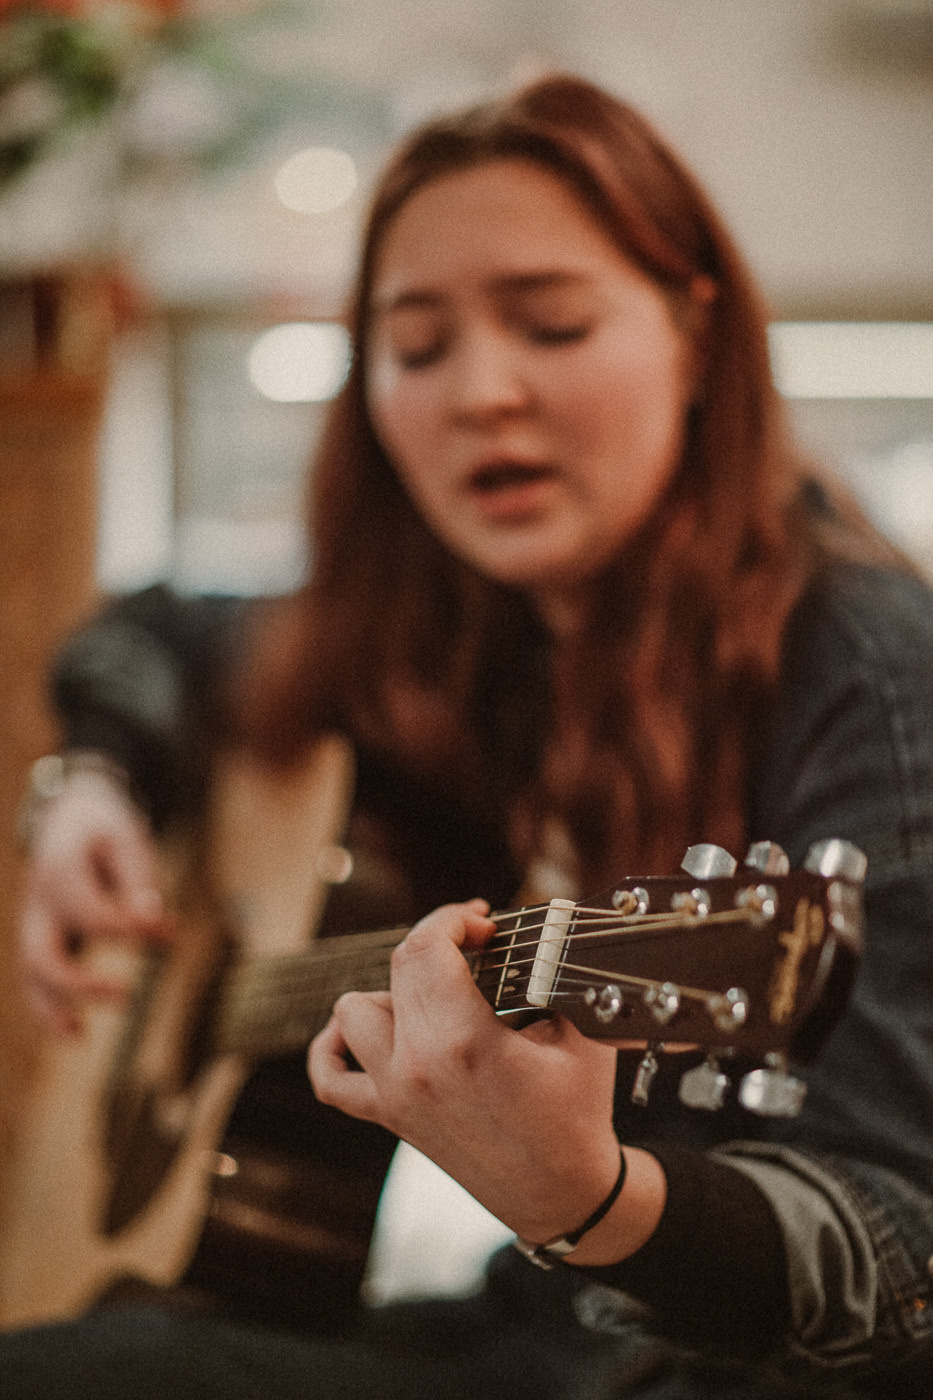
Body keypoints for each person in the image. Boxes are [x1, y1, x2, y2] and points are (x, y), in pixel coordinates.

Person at [3, 73, 932, 1399]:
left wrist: (594, 1198)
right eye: (417, 345)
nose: (479, 392)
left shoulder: (868, 666)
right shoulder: (464, 634)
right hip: (533, 1335)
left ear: (692, 332)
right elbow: (155, 629)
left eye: (549, 323)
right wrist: (87, 786)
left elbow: (907, 1265)